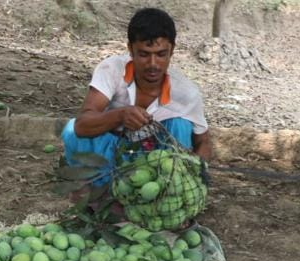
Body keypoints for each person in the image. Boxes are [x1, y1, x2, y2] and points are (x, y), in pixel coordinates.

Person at [62, 7, 212, 186]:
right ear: (130, 50)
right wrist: (120, 116)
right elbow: (82, 126)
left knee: (180, 125)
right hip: (112, 149)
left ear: (172, 51)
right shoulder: (111, 70)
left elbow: (203, 141)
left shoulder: (186, 93)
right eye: (144, 54)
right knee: (71, 131)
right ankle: (110, 183)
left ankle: (162, 184)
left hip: (156, 159)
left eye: (161, 54)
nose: (153, 64)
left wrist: (195, 173)